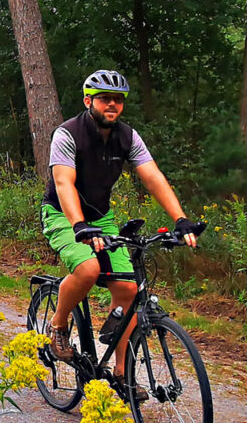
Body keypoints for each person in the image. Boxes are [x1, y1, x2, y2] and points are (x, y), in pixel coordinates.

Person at [42, 70, 201, 397]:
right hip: (61, 213)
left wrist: (180, 219)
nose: (112, 104)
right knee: (88, 270)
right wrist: (78, 225)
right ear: (89, 101)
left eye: (117, 100)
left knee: (129, 288)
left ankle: (121, 372)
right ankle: (57, 326)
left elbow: (153, 176)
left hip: (101, 216)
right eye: (104, 98)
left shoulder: (127, 136)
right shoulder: (67, 134)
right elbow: (64, 184)